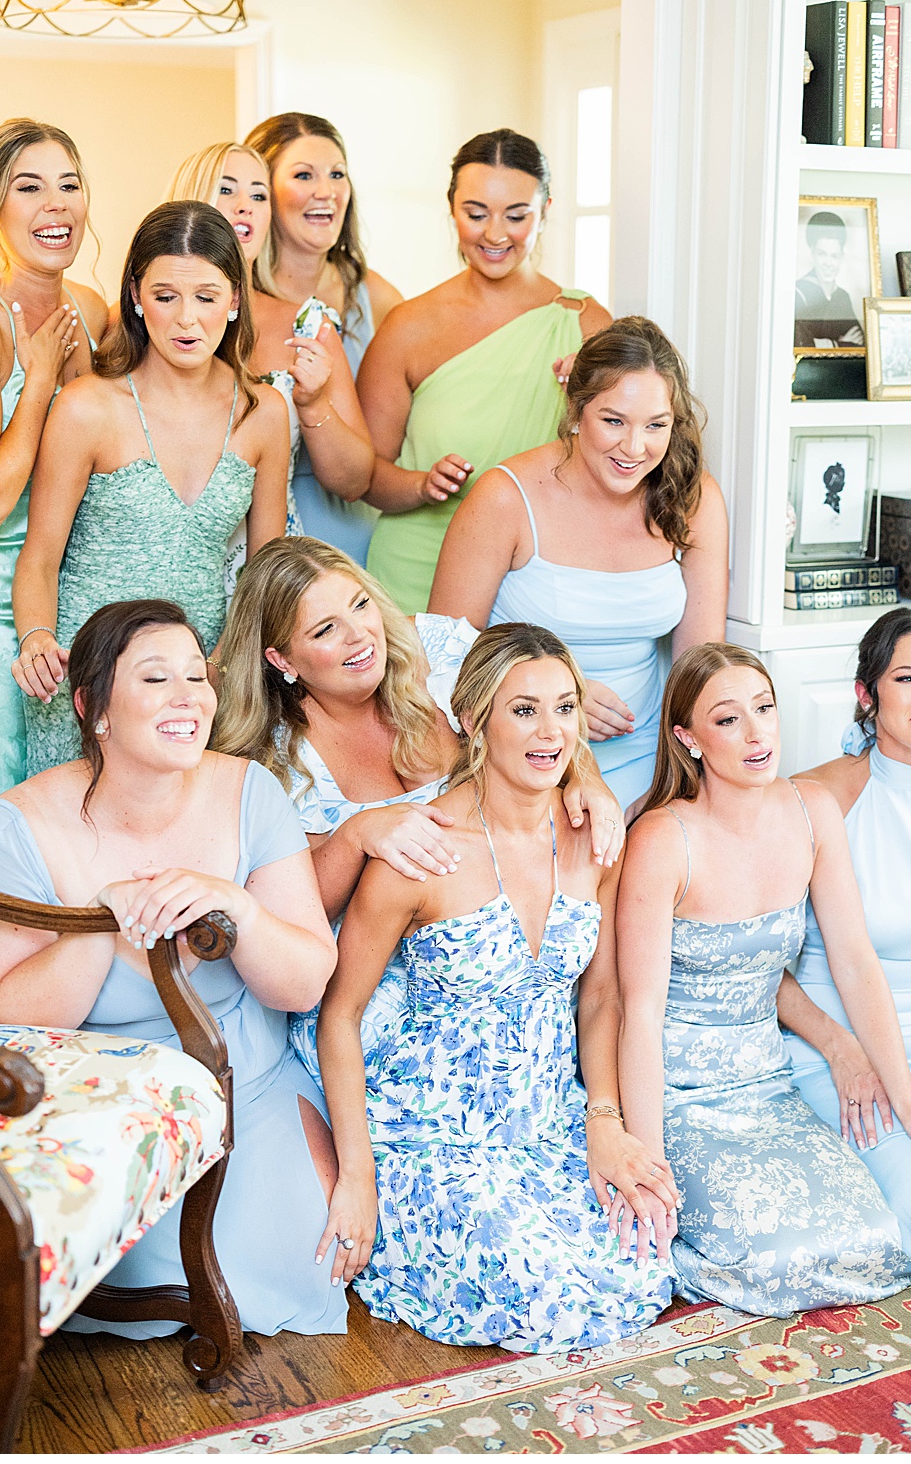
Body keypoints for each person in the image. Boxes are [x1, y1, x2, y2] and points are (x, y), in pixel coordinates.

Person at [0, 599, 346, 1338]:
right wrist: (98, 925)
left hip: (242, 1085)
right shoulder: (18, 825)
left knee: (303, 1266)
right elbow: (4, 1018)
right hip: (96, 1107)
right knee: (55, 1276)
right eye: (155, 678)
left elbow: (304, 983)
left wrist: (239, 909)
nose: (187, 698)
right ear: (93, 708)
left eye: (197, 677)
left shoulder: (249, 791)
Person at [315, 623, 677, 1351]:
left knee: (643, 1254)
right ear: (473, 719)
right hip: (431, 1134)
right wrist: (357, 1176)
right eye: (524, 710)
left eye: (565, 708)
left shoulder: (593, 838)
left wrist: (605, 1121)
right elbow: (340, 1015)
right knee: (545, 1293)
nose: (551, 732)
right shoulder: (422, 852)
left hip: (546, 1119)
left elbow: (600, 998)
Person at [209, 536, 623, 1078]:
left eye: (360, 605)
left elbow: (540, 712)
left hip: (494, 947)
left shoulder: (440, 650)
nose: (360, 635)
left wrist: (588, 780)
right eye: (325, 629)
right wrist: (355, 836)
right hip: (371, 992)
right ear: (281, 659)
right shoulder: (274, 762)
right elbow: (294, 917)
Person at [617, 644, 911, 1314]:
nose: (756, 733)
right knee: (770, 1260)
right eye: (728, 719)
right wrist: (648, 1164)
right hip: (676, 1091)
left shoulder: (813, 810)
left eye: (764, 708)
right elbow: (635, 1012)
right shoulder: (662, 840)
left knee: (876, 1242)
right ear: (688, 738)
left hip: (767, 1080)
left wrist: (902, 1096)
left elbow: (855, 959)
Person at [13, 200, 289, 777]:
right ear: (136, 297)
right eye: (166, 296)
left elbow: (264, 573)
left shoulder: (264, 412)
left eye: (206, 297)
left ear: (235, 301)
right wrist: (36, 637)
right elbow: (39, 558)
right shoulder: (88, 407)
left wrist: (223, 666)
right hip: (90, 678)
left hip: (202, 682)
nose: (187, 320)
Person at [428, 317, 729, 805]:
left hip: (650, 754)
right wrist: (563, 700)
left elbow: (698, 665)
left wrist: (682, 784)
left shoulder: (694, 497)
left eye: (656, 425)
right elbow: (442, 652)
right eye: (614, 421)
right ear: (575, 408)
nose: (634, 448)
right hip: (524, 752)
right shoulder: (504, 498)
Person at [360, 129, 611, 613]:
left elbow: (628, 461)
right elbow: (365, 476)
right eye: (476, 214)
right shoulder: (407, 327)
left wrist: (590, 398)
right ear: (452, 209)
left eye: (516, 216)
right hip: (415, 573)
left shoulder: (586, 326)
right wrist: (421, 485)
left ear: (545, 211)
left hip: (539, 576)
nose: (495, 234)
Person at [778, 608, 911, 1288]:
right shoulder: (812, 800)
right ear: (866, 694)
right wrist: (845, 1051)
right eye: (909, 678)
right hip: (845, 1055)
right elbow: (755, 964)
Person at [0, 118, 109, 809]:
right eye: (29, 188)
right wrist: (41, 378)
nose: (57, 205)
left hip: (79, 584)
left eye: (69, 185)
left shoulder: (91, 309)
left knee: (80, 794)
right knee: (11, 793)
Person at [166, 141, 377, 569]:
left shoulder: (308, 325)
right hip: (163, 559)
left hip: (266, 567)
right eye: (226, 189)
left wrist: (314, 404)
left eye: (259, 195)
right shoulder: (135, 320)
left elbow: (356, 480)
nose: (244, 205)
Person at [245, 112, 404, 562]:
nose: (326, 191)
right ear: (263, 193)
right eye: (304, 175)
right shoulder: (227, 302)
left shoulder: (375, 296)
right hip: (254, 531)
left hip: (356, 529)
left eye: (337, 175)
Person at [793, 209, 862, 347]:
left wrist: (820, 343)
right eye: (822, 254)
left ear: (842, 257)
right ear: (812, 253)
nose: (828, 263)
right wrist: (838, 344)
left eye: (834, 256)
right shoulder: (798, 292)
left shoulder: (842, 297)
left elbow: (860, 342)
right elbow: (798, 342)